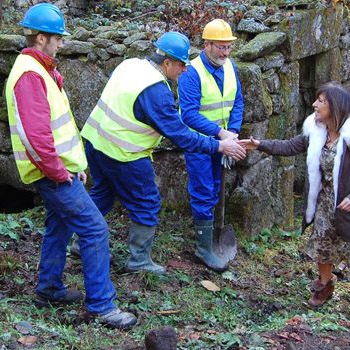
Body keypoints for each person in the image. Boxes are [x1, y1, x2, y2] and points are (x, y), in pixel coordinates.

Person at [4, 3, 135, 329]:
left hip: (57, 170)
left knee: (59, 227)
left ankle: (48, 290)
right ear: (40, 38)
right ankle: (102, 306)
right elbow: (37, 137)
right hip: (51, 174)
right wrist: (60, 172)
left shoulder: (39, 70)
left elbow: (54, 128)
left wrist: (71, 165)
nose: (61, 43)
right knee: (95, 228)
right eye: (57, 38)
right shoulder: (30, 75)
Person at [80, 31, 247, 275]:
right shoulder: (156, 91)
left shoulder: (131, 65)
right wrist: (219, 145)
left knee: (104, 193)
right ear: (166, 62)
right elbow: (180, 134)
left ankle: (78, 243)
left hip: (95, 142)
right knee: (147, 202)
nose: (184, 70)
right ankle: (139, 261)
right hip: (123, 152)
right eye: (181, 65)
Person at [239, 83, 350, 318]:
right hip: (325, 203)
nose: (315, 104)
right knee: (323, 245)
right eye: (316, 99)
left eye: (321, 101)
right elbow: (290, 146)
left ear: (335, 106)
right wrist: (259, 145)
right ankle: (325, 285)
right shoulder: (318, 130)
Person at [177, 19, 244, 272]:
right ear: (206, 45)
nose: (225, 53)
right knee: (204, 189)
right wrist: (221, 134)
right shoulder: (191, 73)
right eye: (220, 47)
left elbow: (237, 101)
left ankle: (213, 235)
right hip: (200, 142)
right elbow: (189, 115)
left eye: (229, 48)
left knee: (216, 187)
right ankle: (203, 248)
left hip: (224, 138)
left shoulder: (230, 67)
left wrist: (233, 133)